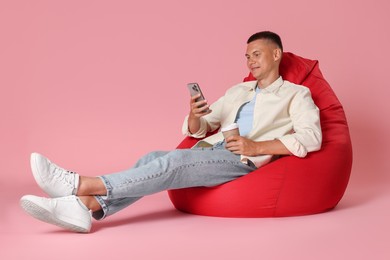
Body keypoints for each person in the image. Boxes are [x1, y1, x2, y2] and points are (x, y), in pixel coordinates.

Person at [20, 31, 322, 233]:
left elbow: (311, 137)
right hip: (210, 151)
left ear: (276, 54)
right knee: (153, 156)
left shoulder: (296, 95)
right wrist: (194, 115)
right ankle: (85, 208)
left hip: (241, 159)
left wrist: (256, 147)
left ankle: (79, 184)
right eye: (247, 56)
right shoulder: (238, 91)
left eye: (256, 54)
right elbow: (202, 127)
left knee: (173, 162)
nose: (250, 61)